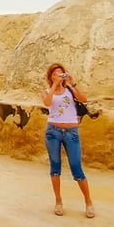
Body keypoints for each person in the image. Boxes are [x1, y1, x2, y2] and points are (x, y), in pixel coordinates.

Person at [41, 63, 94, 218]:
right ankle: (58, 201)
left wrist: (73, 82)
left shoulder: (70, 90)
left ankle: (88, 202)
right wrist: (54, 86)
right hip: (53, 132)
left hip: (71, 132)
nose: (59, 75)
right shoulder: (46, 92)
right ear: (50, 76)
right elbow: (48, 103)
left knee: (76, 167)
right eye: (56, 73)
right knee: (55, 167)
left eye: (61, 73)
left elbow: (84, 100)